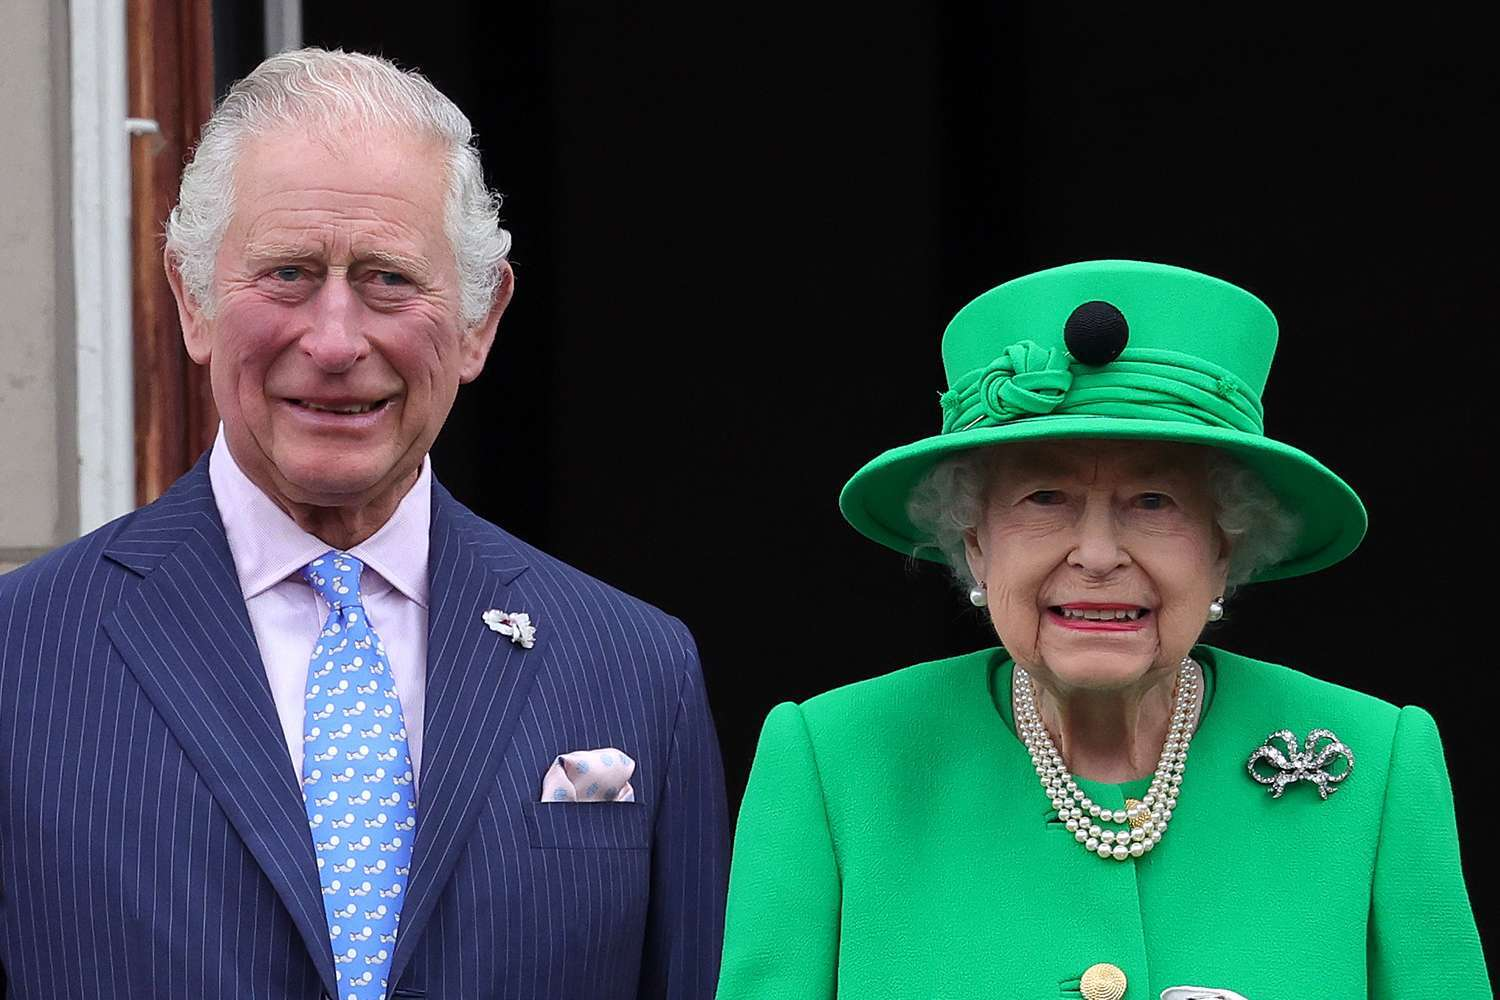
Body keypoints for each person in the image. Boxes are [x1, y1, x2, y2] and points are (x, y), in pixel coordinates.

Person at [0, 48, 726, 1000]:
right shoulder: (20, 657)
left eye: (388, 278)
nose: (337, 341)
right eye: (289, 273)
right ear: (192, 299)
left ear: (480, 319)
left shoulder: (635, 666)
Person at [716, 260, 1488, 998]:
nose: (1096, 555)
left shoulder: (1378, 763)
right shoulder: (835, 761)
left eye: (1154, 502)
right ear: (976, 544)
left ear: (1225, 548)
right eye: (1044, 497)